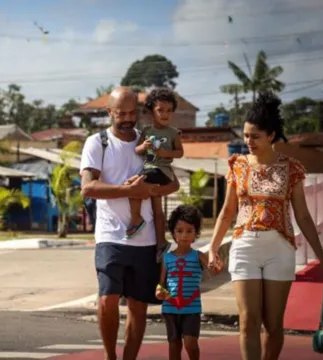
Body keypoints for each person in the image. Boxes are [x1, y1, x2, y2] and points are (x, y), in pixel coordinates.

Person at [206, 92, 323, 360]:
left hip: (280, 250)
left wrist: (322, 258)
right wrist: (213, 248)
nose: (248, 142)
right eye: (245, 135)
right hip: (244, 247)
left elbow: (303, 216)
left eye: (255, 136)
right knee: (247, 321)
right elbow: (227, 211)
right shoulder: (238, 165)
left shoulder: (292, 168)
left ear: (271, 135)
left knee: (273, 325)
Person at [80, 86, 180, 360]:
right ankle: (110, 356)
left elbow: (172, 183)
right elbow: (88, 188)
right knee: (107, 300)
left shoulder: (149, 140)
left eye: (131, 112)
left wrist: (152, 191)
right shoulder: (97, 143)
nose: (126, 118)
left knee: (138, 308)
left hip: (146, 240)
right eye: (120, 113)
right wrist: (129, 191)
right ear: (109, 112)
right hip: (110, 236)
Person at [156, 205, 220, 360]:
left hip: (191, 308)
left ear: (196, 234)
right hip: (171, 307)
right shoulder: (167, 258)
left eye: (189, 231)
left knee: (191, 343)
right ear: (173, 233)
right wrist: (159, 291)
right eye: (179, 231)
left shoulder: (198, 256)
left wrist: (216, 263)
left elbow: (215, 269)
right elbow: (161, 282)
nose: (184, 235)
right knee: (174, 345)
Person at [127, 89, 184, 259]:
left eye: (169, 111)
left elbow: (179, 152)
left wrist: (166, 153)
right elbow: (137, 150)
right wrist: (143, 147)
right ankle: (161, 242)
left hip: (162, 171)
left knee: (133, 185)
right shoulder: (146, 131)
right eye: (160, 110)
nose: (165, 114)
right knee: (157, 210)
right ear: (152, 111)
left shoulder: (174, 133)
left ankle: (136, 219)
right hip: (150, 168)